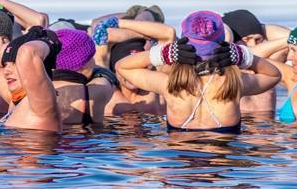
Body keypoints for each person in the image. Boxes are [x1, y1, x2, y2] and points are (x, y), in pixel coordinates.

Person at [116, 11, 281, 134]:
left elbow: (122, 67)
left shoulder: (170, 84)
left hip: (180, 171)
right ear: (223, 43)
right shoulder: (234, 83)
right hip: (224, 172)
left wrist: (165, 53)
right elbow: (274, 75)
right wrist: (242, 55)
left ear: (182, 44)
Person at [0, 27, 63, 132]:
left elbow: (28, 52)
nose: (6, 71)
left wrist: (49, 39)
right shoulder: (15, 100)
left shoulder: (41, 103)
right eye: (5, 65)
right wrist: (18, 44)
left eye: (15, 63)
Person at [91, 13, 173, 116]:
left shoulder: (158, 90)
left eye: (139, 68)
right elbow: (98, 31)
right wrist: (141, 35)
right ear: (115, 70)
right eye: (126, 69)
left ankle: (139, 12)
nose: (130, 75)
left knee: (146, 14)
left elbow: (168, 34)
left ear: (147, 68)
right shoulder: (106, 89)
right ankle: (133, 13)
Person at [222, 8, 291, 114]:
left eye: (258, 39)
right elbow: (249, 53)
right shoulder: (225, 65)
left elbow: (296, 38)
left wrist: (263, 28)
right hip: (240, 125)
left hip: (269, 126)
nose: (253, 44)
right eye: (247, 40)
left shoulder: (270, 62)